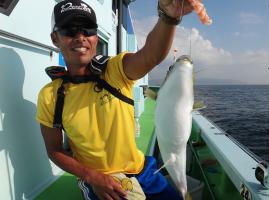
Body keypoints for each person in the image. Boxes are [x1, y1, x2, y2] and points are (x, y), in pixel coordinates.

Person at [36, 0, 193, 199]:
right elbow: (54, 150)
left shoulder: (115, 70)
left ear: (95, 37)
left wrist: (168, 17)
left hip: (142, 170)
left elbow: (150, 56)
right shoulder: (50, 95)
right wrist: (91, 177)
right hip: (99, 180)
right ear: (55, 38)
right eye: (69, 30)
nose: (80, 37)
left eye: (88, 29)